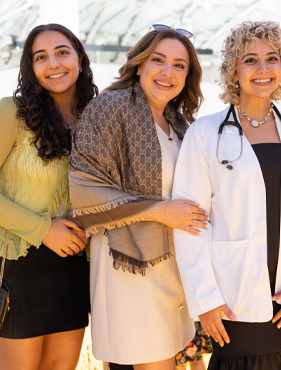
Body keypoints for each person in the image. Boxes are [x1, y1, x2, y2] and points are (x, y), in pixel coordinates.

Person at [172, 20, 281, 370]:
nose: (262, 69)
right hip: (232, 294)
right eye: (250, 60)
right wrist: (205, 299)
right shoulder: (205, 133)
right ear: (233, 70)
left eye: (272, 59)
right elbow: (190, 221)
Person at [70, 25, 206, 370]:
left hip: (172, 265)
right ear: (140, 64)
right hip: (127, 264)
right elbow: (86, 190)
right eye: (158, 60)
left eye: (179, 65)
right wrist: (160, 211)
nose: (167, 72)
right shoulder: (110, 108)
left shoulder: (180, 124)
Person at [0, 24, 97, 370]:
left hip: (74, 269)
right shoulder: (12, 112)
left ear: (80, 58)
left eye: (62, 52)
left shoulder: (97, 119)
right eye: (41, 57)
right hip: (17, 269)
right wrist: (44, 229)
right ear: (31, 67)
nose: (53, 63)